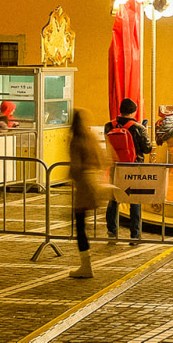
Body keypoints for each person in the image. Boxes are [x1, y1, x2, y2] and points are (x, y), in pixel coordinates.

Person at [104, 98, 153, 245]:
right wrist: (145, 130)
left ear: (120, 110)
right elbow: (147, 149)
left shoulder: (109, 126)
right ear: (134, 111)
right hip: (134, 167)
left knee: (113, 199)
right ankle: (135, 235)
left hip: (115, 166)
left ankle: (112, 231)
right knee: (135, 200)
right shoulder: (138, 128)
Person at [67, 109, 109, 279]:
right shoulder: (91, 138)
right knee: (82, 224)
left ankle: (86, 265)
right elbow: (105, 159)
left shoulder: (75, 141)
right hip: (95, 182)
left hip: (84, 185)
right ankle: (86, 265)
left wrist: (70, 176)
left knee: (80, 226)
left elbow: (76, 167)